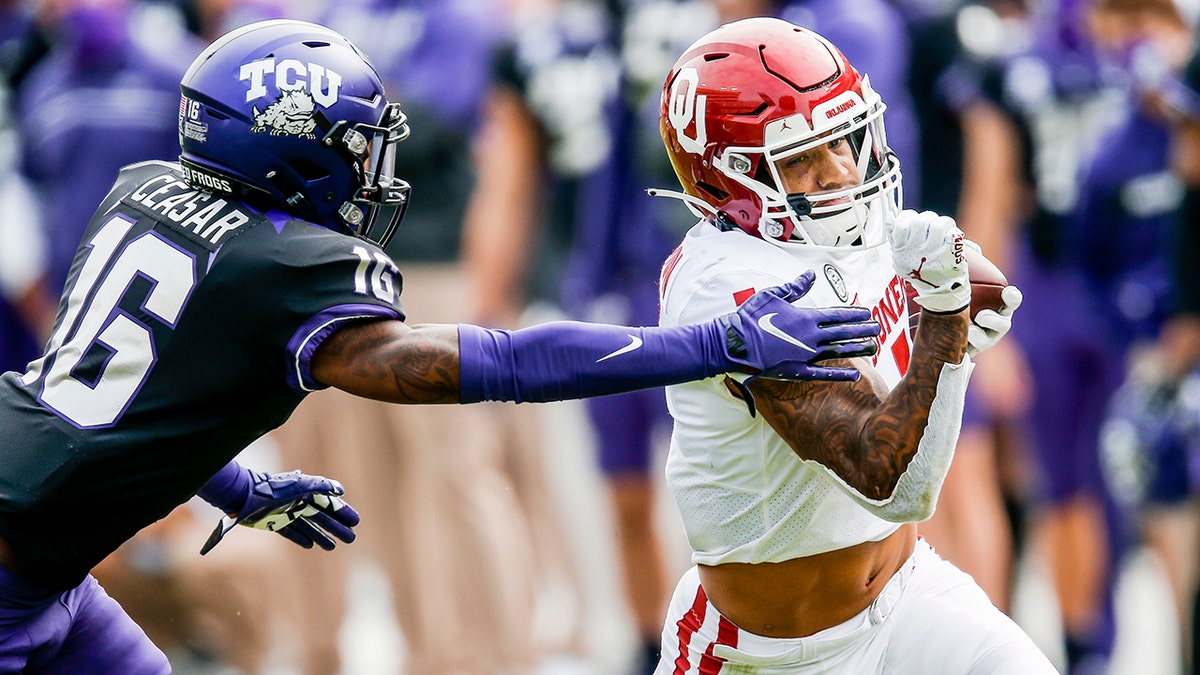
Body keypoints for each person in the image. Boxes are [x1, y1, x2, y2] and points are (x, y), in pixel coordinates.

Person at [0, 18, 883, 673]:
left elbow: (109, 395)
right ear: (283, 149)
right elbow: (495, 365)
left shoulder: (145, 191)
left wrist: (238, 484)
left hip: (48, 570)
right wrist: (716, 341)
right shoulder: (279, 263)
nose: (372, 172)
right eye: (351, 147)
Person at [651, 17, 1054, 672]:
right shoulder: (732, 288)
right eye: (802, 157)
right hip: (768, 651)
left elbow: (903, 392)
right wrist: (946, 326)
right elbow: (891, 478)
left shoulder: (844, 221)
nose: (841, 170)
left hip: (907, 594)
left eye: (842, 137)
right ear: (730, 179)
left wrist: (946, 334)